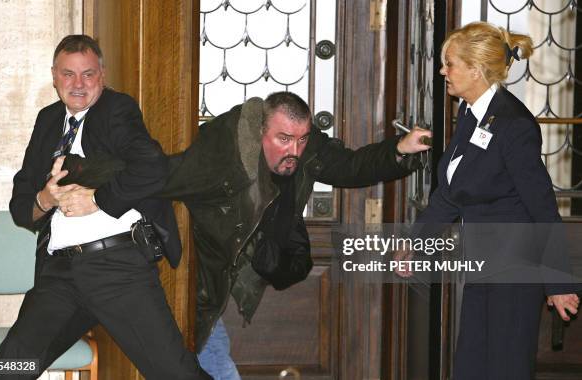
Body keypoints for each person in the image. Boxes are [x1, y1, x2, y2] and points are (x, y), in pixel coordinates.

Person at [61, 91, 432, 379]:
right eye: (284, 139)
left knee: (209, 354)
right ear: (260, 131)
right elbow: (156, 174)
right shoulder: (220, 159)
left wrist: (399, 149)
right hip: (193, 278)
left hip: (224, 279)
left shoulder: (305, 146)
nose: (295, 151)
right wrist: (84, 180)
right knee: (208, 357)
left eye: (302, 140)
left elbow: (350, 166)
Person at [0, 35, 210, 379]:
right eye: (68, 74)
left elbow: (152, 166)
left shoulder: (116, 109)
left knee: (174, 372)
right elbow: (21, 208)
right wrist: (45, 199)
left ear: (102, 76)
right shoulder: (47, 119)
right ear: (54, 76)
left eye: (88, 74)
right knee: (7, 367)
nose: (78, 84)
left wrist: (95, 200)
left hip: (117, 269)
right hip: (59, 275)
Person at [398, 22, 579, 379]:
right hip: (484, 270)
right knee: (471, 367)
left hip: (514, 275)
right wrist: (415, 242)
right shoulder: (471, 113)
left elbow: (542, 207)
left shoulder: (514, 124)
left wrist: (558, 282)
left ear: (476, 71)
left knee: (503, 369)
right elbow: (452, 193)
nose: (442, 71)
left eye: (449, 64)